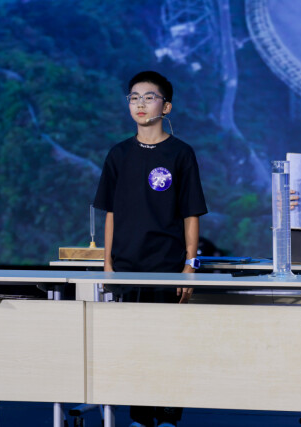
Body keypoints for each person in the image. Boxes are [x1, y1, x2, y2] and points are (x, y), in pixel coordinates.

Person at [93, 71, 207, 427]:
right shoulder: (118, 154)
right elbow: (111, 213)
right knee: (135, 346)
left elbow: (190, 213)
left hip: (167, 265)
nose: (140, 104)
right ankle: (140, 417)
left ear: (166, 106)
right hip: (127, 266)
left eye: (149, 97)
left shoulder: (181, 153)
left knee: (169, 343)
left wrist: (190, 265)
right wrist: (108, 263)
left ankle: (169, 415)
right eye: (134, 97)